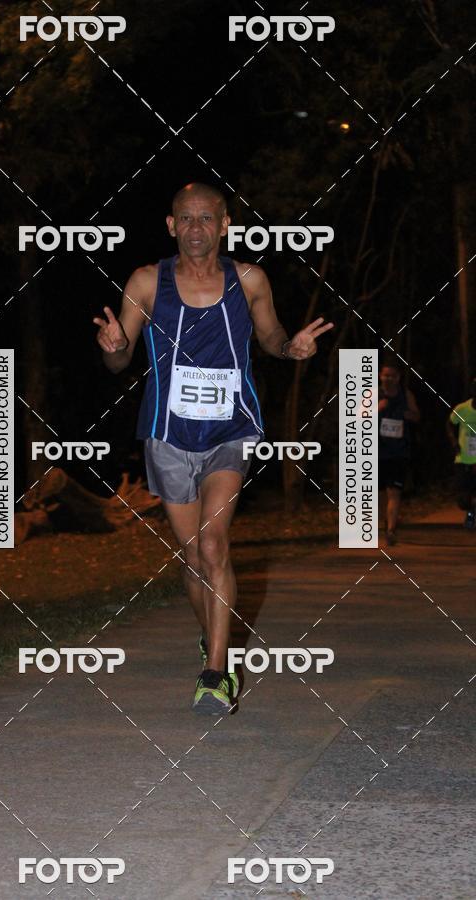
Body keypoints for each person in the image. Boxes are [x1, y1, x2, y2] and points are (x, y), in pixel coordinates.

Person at [93, 182, 332, 715]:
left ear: (225, 225)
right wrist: (113, 347)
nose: (196, 228)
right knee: (193, 557)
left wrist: (291, 348)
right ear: (171, 225)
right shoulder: (146, 281)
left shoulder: (249, 279)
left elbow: (270, 336)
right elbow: (119, 359)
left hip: (231, 430)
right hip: (167, 433)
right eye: (186, 218)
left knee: (213, 543)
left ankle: (217, 673)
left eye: (207, 218)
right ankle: (212, 638)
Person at [378, 363, 420, 545]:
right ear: (380, 376)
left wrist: (411, 415)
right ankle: (385, 521)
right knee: (380, 494)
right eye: (385, 375)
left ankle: (391, 530)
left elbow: (417, 415)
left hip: (398, 452)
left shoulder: (406, 394)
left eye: (392, 376)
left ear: (398, 378)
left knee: (394, 492)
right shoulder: (373, 395)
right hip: (377, 452)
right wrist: (377, 409)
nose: (389, 379)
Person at [447, 377, 476, 529]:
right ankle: (470, 509)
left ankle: (472, 514)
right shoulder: (462, 408)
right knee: (463, 499)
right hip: (463, 458)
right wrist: (454, 442)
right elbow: (449, 424)